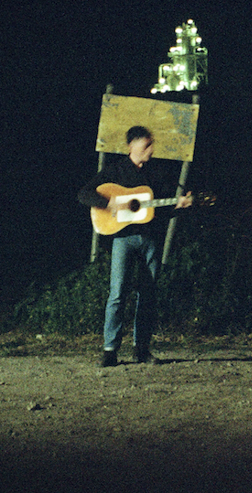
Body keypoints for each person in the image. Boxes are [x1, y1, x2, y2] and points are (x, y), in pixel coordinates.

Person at [77, 126, 193, 367]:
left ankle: (142, 349)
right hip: (123, 238)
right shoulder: (115, 170)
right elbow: (84, 194)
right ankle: (110, 350)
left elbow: (157, 210)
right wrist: (109, 204)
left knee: (147, 294)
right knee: (117, 293)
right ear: (132, 145)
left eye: (151, 145)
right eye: (147, 145)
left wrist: (178, 207)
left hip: (149, 239)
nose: (151, 150)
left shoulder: (156, 173)